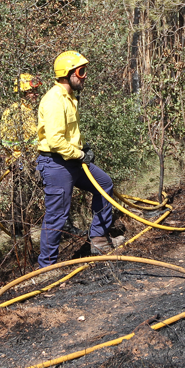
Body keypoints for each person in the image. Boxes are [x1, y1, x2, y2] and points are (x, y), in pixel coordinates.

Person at [35, 51, 125, 267]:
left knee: (104, 184)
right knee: (57, 215)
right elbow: (56, 141)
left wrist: (84, 147)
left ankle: (98, 238)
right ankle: (47, 268)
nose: (84, 76)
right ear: (68, 74)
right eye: (81, 72)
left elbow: (69, 133)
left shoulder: (70, 98)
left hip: (73, 160)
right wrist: (81, 154)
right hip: (56, 164)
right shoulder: (55, 100)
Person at [0, 73, 41, 236]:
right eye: (32, 91)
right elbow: (7, 141)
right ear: (23, 92)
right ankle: (19, 231)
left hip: (35, 159)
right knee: (21, 197)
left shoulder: (32, 110)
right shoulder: (13, 112)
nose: (36, 94)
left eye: (36, 91)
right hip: (21, 161)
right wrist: (19, 157)